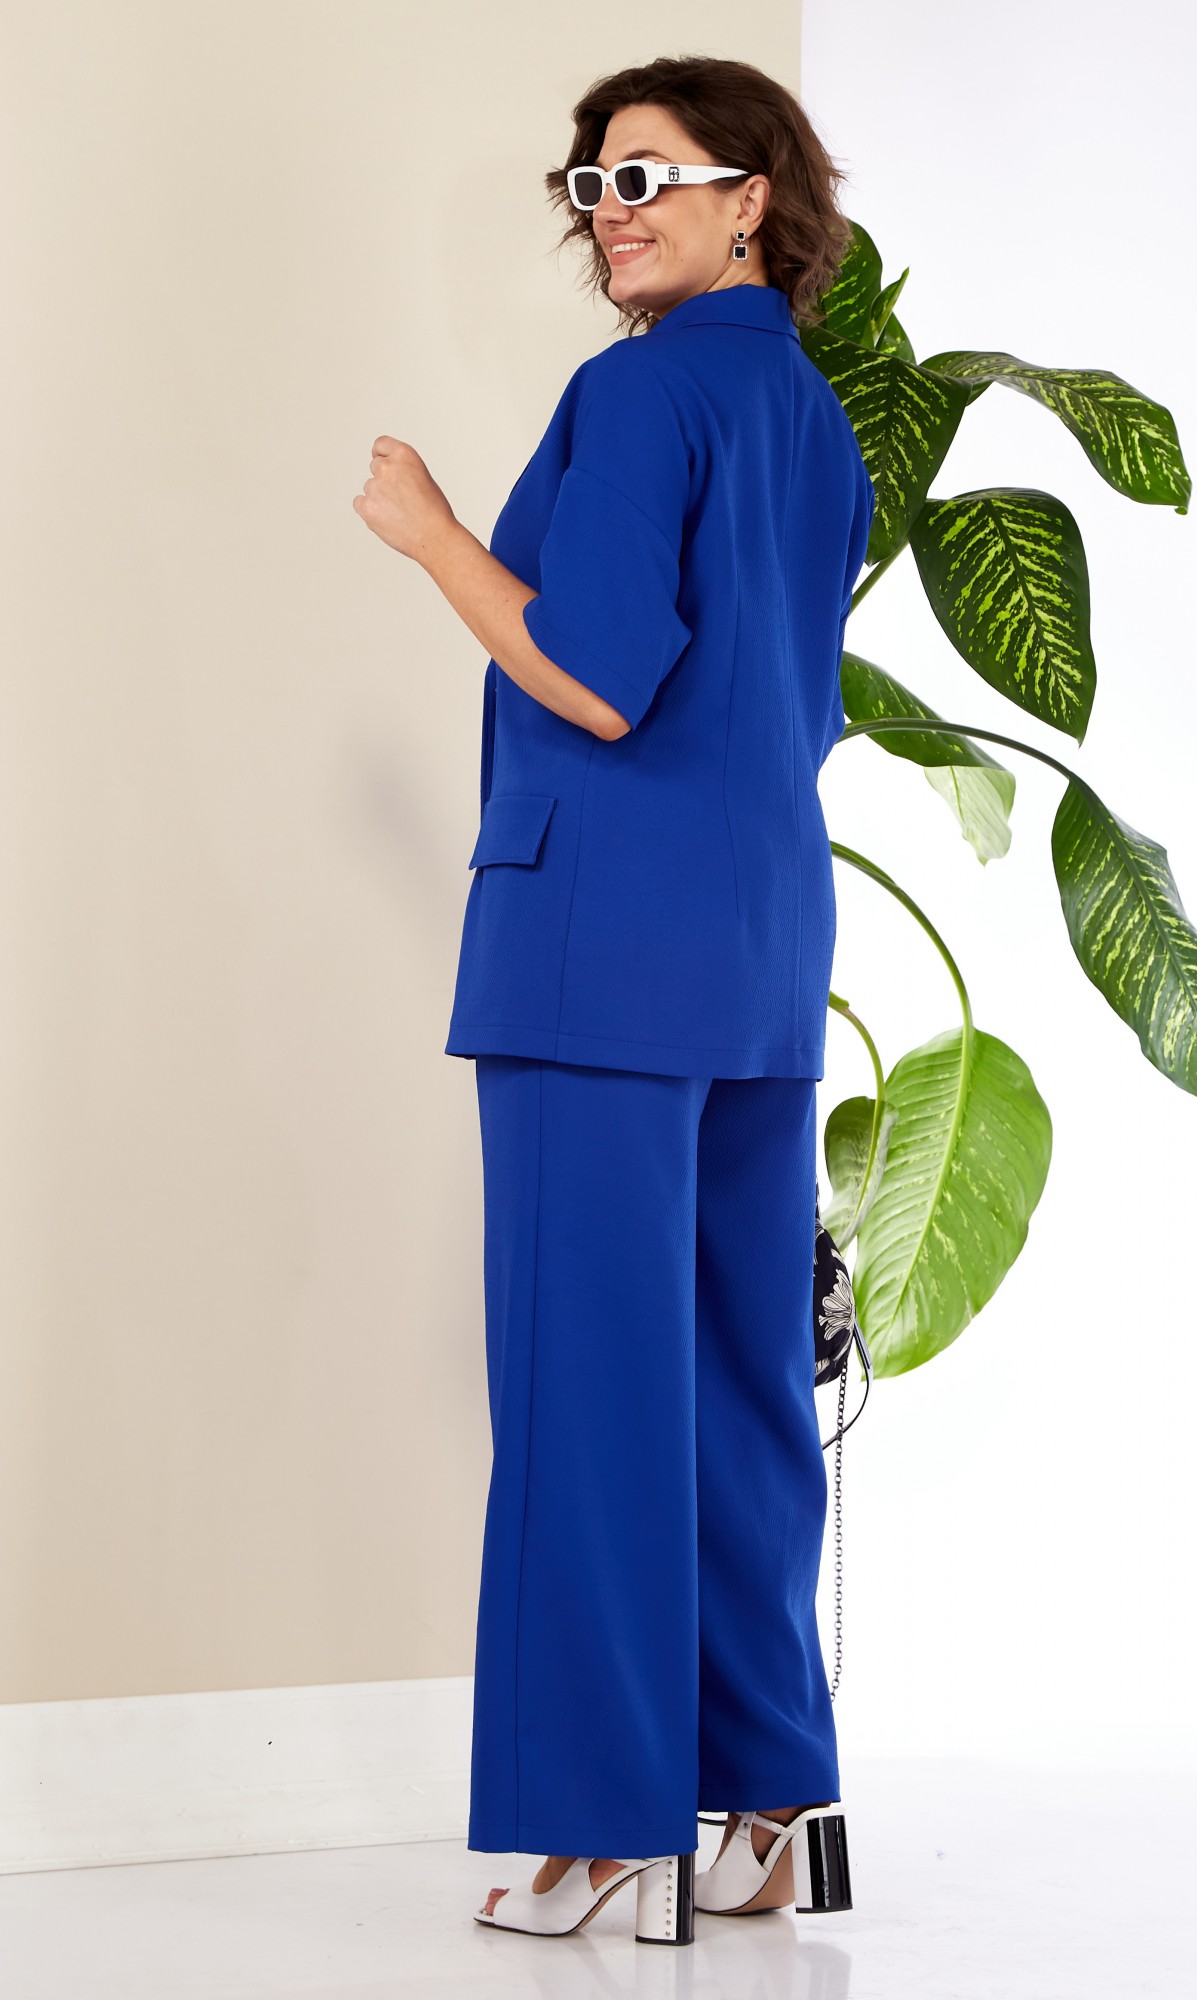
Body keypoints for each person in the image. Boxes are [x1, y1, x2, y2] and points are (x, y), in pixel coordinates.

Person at [353, 54, 874, 1945]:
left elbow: (591, 675)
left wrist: (430, 532)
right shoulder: (813, 424)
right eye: (594, 182)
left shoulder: (640, 392)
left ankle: (601, 1820)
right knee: (739, 1384)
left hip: (593, 953)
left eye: (650, 175)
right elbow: (777, 700)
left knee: (588, 1389)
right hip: (755, 951)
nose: (612, 210)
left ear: (754, 198)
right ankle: (769, 1806)